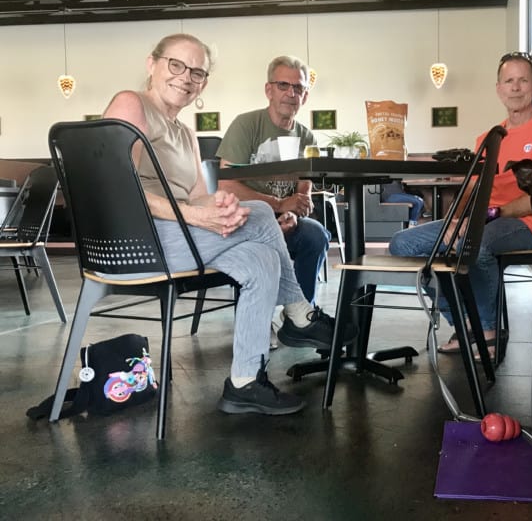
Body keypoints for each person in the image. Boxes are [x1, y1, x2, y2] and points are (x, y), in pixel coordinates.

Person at [102, 34, 354, 416]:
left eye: (198, 72)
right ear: (151, 64)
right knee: (262, 214)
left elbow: (201, 196)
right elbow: (116, 187)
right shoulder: (131, 103)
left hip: (174, 235)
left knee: (259, 257)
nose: (186, 78)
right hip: (135, 241)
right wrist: (198, 214)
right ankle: (300, 313)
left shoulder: (185, 132)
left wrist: (223, 206)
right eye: (176, 65)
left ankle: (244, 382)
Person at [388, 51, 532, 360]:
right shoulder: (488, 138)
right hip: (483, 220)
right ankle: (463, 321)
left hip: (527, 224)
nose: (516, 87)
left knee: (476, 243)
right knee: (403, 243)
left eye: (523, 80)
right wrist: (455, 222)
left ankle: (487, 331)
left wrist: (494, 214)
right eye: (509, 81)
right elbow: (472, 191)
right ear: (499, 89)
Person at [216, 56, 330, 312]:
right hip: (248, 220)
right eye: (283, 85)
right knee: (263, 248)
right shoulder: (246, 125)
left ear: (305, 96)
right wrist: (277, 204)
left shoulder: (306, 135)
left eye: (298, 88)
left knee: (315, 235)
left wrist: (292, 209)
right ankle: (259, 317)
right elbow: (226, 186)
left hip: (286, 219)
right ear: (269, 90)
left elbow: (305, 183)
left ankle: (300, 315)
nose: (291, 93)